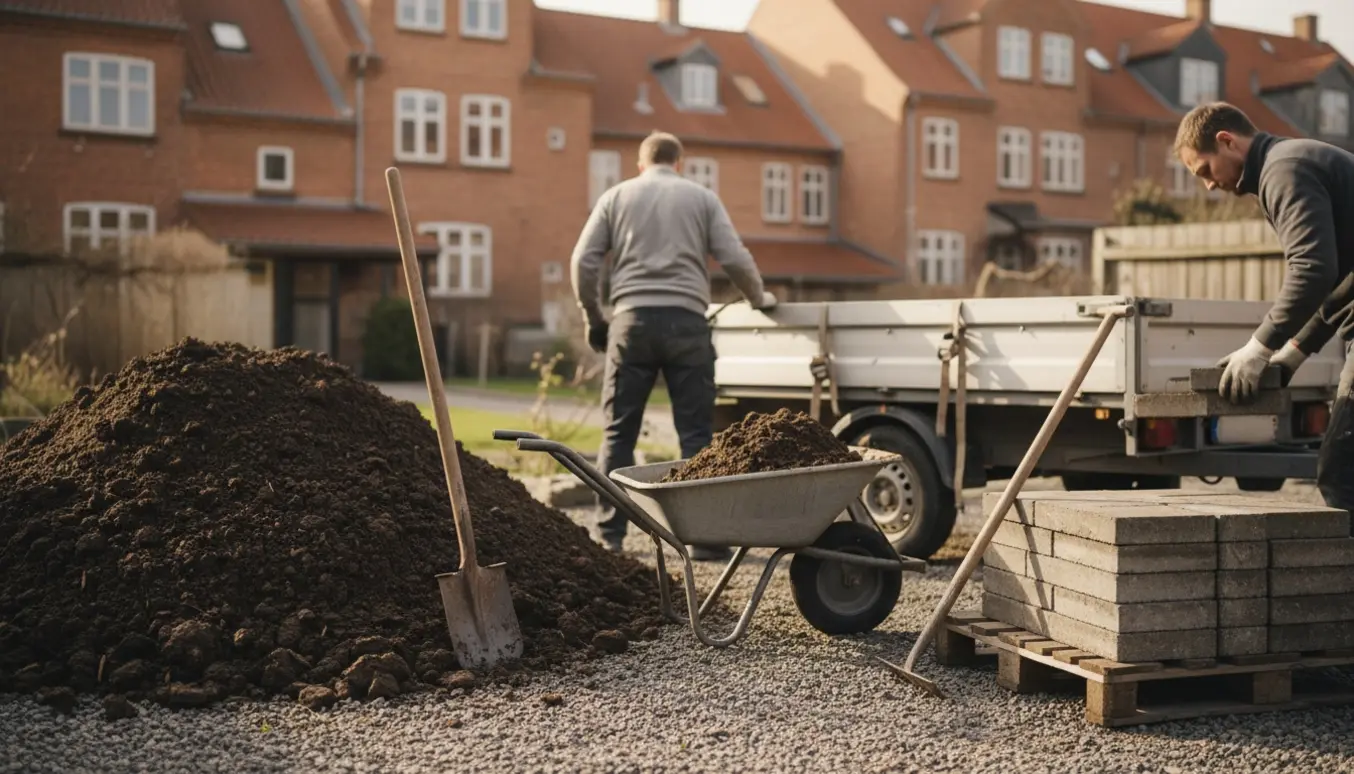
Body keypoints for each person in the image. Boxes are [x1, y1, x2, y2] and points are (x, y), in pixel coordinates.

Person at [569, 130, 778, 559]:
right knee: (696, 435)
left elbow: (583, 261)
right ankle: (703, 538)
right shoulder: (701, 198)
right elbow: (735, 258)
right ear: (678, 163)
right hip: (687, 323)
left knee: (618, 431)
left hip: (632, 324)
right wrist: (760, 299)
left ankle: (609, 536)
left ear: (641, 164)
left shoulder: (616, 197)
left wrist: (595, 318)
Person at [1174, 101, 1354, 513]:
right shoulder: (1293, 162)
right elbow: (1339, 283)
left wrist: (1260, 346)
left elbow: (1312, 270)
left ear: (1227, 142)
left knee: (1343, 472)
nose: (1208, 186)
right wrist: (1293, 353)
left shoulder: (1283, 171)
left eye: (1205, 171)